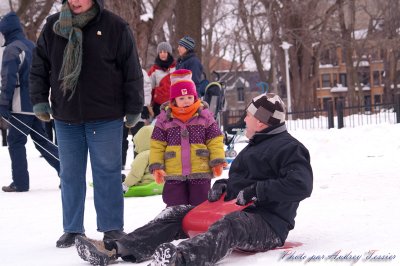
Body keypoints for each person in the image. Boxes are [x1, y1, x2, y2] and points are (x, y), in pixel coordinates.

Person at [74, 93, 313, 266]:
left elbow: (300, 185)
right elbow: (244, 182)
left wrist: (256, 191)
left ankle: (181, 259)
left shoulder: (290, 149)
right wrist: (224, 187)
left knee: (233, 225)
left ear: (261, 122)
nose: (245, 119)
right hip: (236, 210)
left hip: (268, 223)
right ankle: (116, 248)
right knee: (177, 214)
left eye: (248, 115)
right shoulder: (255, 146)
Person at [29, 0, 144, 248]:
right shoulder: (52, 27)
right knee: (70, 174)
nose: (75, 1)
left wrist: (134, 107)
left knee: (107, 174)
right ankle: (72, 228)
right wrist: (39, 100)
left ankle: (112, 227)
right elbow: (39, 67)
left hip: (106, 115)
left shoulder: (115, 26)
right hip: (66, 115)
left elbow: (131, 70)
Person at [0, 12, 60, 192]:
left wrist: (3, 103)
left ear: (7, 31)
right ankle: (67, 172)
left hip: (19, 105)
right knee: (43, 141)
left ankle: (20, 182)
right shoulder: (31, 46)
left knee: (16, 142)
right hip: (36, 104)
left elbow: (8, 79)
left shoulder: (11, 50)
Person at [149, 69, 226, 207]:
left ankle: (199, 226)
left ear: (195, 97)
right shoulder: (164, 119)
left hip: (200, 170)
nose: (186, 101)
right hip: (174, 171)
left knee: (200, 202)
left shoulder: (205, 116)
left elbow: (215, 140)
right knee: (174, 203)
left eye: (190, 97)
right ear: (174, 100)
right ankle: (175, 226)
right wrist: (156, 166)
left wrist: (217, 160)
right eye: (182, 98)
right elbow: (157, 144)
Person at [122, 68, 152, 170]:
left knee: (138, 140)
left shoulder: (141, 72)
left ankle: (138, 163)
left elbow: (147, 89)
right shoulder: (117, 69)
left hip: (137, 110)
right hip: (120, 112)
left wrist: (145, 105)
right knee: (121, 140)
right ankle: (120, 163)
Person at [122, 125, 155, 192]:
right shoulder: (160, 153)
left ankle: (109, 183)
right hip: (159, 182)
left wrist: (126, 185)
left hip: (144, 183)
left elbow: (135, 174)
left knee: (121, 177)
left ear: (140, 141)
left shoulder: (143, 155)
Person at [148, 41, 176, 117]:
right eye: (160, 52)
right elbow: (149, 87)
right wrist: (148, 104)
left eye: (165, 52)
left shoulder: (175, 67)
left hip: (173, 104)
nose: (162, 54)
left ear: (169, 53)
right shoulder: (154, 69)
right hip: (158, 105)